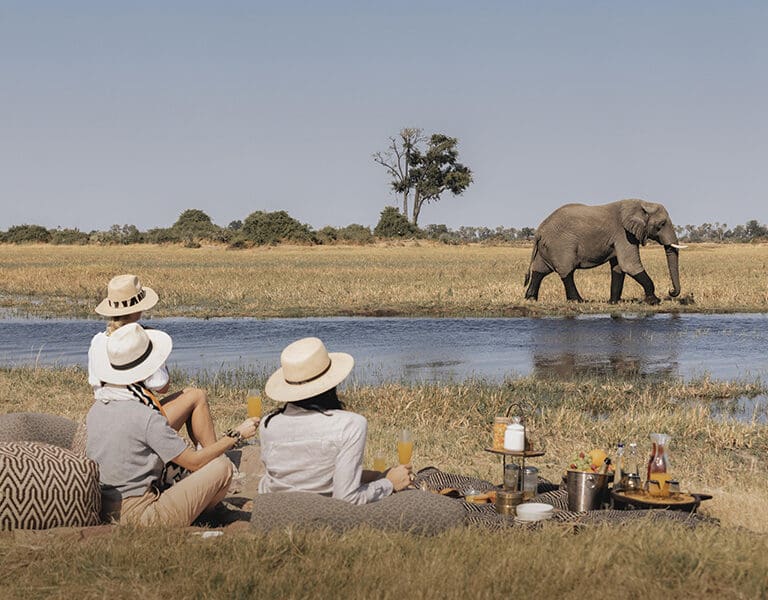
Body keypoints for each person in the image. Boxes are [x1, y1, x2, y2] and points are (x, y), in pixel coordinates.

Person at [86, 322, 259, 526]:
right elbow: (194, 462)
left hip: (104, 508)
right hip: (142, 515)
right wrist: (236, 435)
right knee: (221, 467)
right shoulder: (145, 416)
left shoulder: (97, 408)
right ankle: (208, 512)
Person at [258, 337, 412, 504]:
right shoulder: (351, 424)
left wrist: (374, 476)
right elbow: (347, 498)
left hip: (275, 508)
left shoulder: (268, 424)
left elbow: (300, 474)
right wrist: (389, 483)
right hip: (324, 512)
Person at [89, 274, 215, 450]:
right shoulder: (143, 340)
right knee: (197, 396)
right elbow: (162, 386)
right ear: (137, 309)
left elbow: (95, 382)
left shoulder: (97, 341)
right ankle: (213, 456)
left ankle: (204, 450)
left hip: (105, 417)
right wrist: (158, 356)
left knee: (188, 392)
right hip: (137, 424)